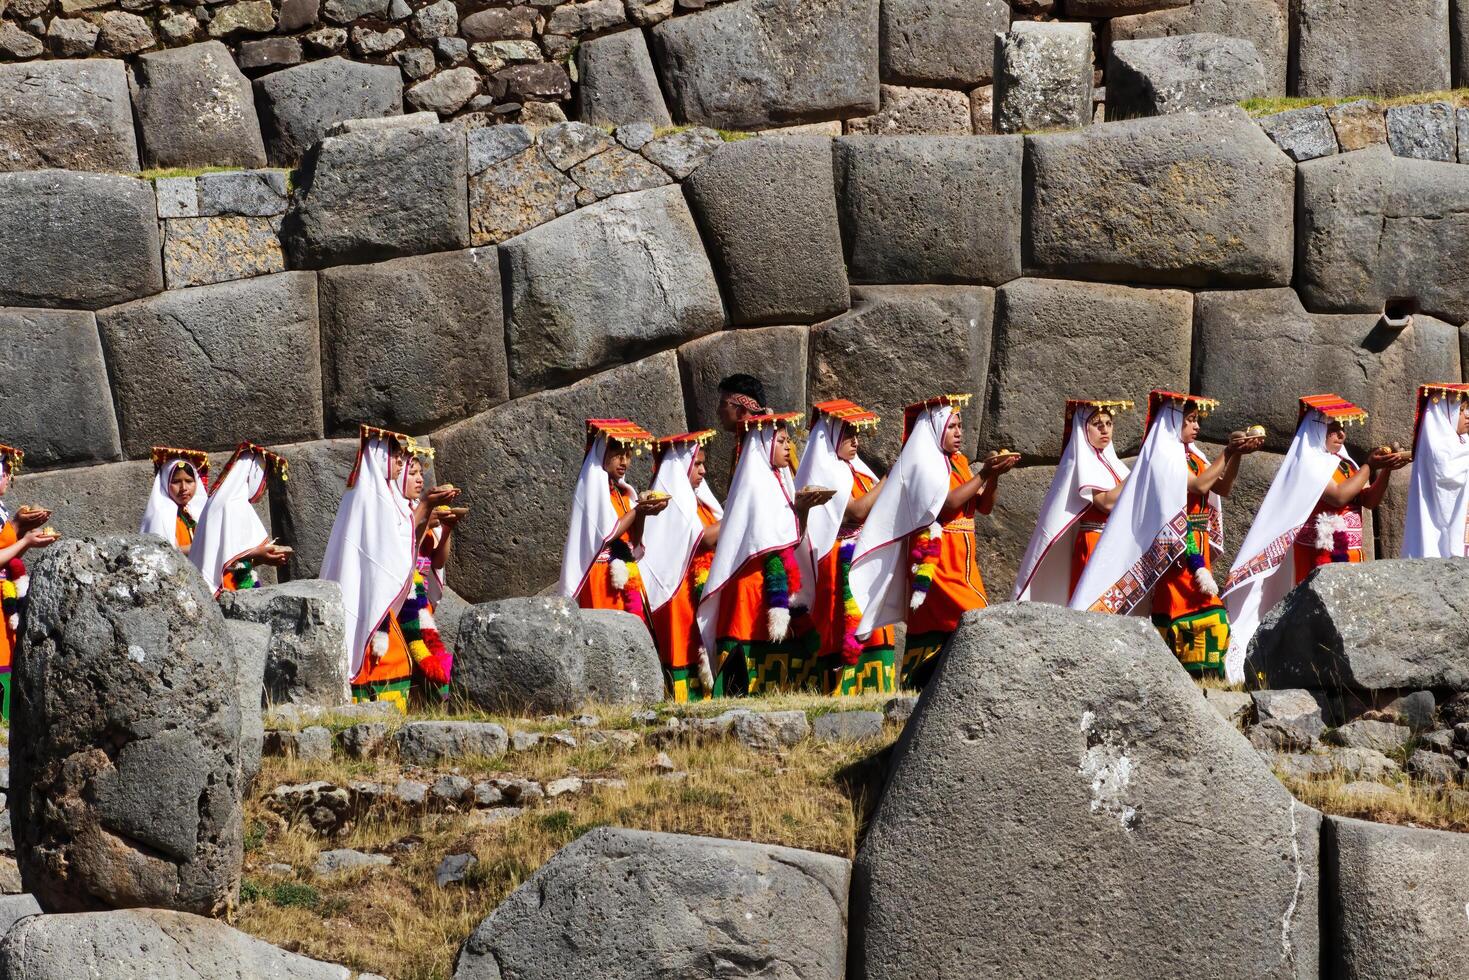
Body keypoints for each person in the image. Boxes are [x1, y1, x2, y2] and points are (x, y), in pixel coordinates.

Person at [1070, 390, 1262, 678]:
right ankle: (1188, 676)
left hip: (1197, 543)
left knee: (1201, 606)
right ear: (1174, 423)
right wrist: (1228, 452)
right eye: (1191, 420)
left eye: (1197, 420)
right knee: (1193, 608)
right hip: (1176, 547)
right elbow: (1197, 487)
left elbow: (1221, 488)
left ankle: (1205, 677)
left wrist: (1236, 458)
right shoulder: (1166, 456)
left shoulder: (1194, 457)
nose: (1197, 427)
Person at [1222, 395, 1404, 681]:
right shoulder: (1310, 463)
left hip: (1351, 551)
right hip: (1319, 554)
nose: (1340, 434)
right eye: (1333, 428)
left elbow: (1368, 501)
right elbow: (1338, 496)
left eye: (1342, 428)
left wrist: (1385, 472)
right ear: (1317, 428)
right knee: (1322, 617)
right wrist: (1370, 464)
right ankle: (1317, 672)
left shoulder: (1345, 463)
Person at [848, 394, 1019, 690]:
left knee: (964, 623)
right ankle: (926, 685)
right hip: (934, 561)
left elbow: (984, 507)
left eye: (960, 426)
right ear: (937, 428)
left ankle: (948, 686)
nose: (958, 432)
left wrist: (994, 477)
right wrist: (986, 472)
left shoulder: (961, 462)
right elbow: (949, 503)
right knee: (973, 616)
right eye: (951, 426)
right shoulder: (922, 462)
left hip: (962, 561)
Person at [696, 412, 824, 695]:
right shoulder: (753, 483)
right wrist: (799, 509)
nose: (788, 447)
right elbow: (766, 536)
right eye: (781, 441)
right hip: (749, 581)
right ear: (766, 445)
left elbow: (790, 537)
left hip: (775, 577)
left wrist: (802, 510)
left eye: (789, 441)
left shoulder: (782, 480)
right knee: (744, 642)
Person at [794, 399, 896, 695]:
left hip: (865, 555)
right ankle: (841, 688)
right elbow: (856, 511)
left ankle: (876, 686)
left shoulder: (858, 469)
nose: (855, 440)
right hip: (840, 559)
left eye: (857, 434)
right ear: (831, 435)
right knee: (844, 625)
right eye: (848, 433)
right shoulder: (828, 470)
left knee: (872, 624)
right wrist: (890, 476)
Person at [321, 425, 423, 710]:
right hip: (366, 601)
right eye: (395, 454)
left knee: (395, 661)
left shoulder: (384, 496)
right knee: (375, 660)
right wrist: (425, 507)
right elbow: (386, 554)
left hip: (382, 605)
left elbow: (398, 543)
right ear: (379, 455)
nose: (401, 461)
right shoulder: (366, 497)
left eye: (402, 456)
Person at [1013, 400, 1132, 605]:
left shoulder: (1116, 465)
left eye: (1109, 423)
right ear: (1083, 428)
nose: (1105, 429)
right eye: (1097, 424)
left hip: (1117, 542)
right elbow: (1105, 503)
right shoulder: (1081, 464)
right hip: (1095, 543)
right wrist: (1137, 474)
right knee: (1093, 606)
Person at [641, 430, 722, 701]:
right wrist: (740, 513)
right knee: (683, 646)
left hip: (701, 585)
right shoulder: (674, 501)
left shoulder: (701, 499)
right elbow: (705, 537)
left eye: (703, 463)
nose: (703, 470)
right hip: (678, 592)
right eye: (697, 464)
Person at [558, 419, 668, 617]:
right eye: (618, 455)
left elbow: (634, 540)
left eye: (628, 455)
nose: (624, 462)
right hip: (601, 576)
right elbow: (608, 534)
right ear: (602, 455)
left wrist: (641, 512)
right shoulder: (592, 491)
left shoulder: (624, 493)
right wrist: (638, 510)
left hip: (627, 570)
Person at [398, 445, 463, 704]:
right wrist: (426, 516)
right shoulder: (403, 513)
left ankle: (433, 703)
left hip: (423, 599)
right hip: (402, 600)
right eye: (412, 473)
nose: (419, 479)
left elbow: (437, 560)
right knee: (411, 654)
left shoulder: (420, 510)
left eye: (421, 473)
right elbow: (405, 545)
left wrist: (446, 529)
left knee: (426, 651)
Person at [0, 443, 58, 722]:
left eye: (5, 473)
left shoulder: (0, 509)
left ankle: (7, 723)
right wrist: (24, 538)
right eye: (2, 473)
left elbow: (5, 554)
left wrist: (21, 529)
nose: (5, 478)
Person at [189, 442, 290, 596]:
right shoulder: (229, 504)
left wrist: (264, 557)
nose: (264, 487)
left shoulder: (232, 502)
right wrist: (259, 553)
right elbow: (222, 554)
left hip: (236, 580)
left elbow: (235, 554)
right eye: (264, 479)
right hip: (224, 586)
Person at [1402, 383, 1469, 559]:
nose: (1468, 416)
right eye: (1462, 411)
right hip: (1438, 526)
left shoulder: (1463, 442)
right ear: (1446, 414)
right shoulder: (1437, 445)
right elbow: (1448, 473)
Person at [140, 446, 210, 553]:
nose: (184, 488)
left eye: (189, 481)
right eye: (176, 482)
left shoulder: (202, 512)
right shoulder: (160, 516)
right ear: (165, 483)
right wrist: (205, 548)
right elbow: (168, 552)